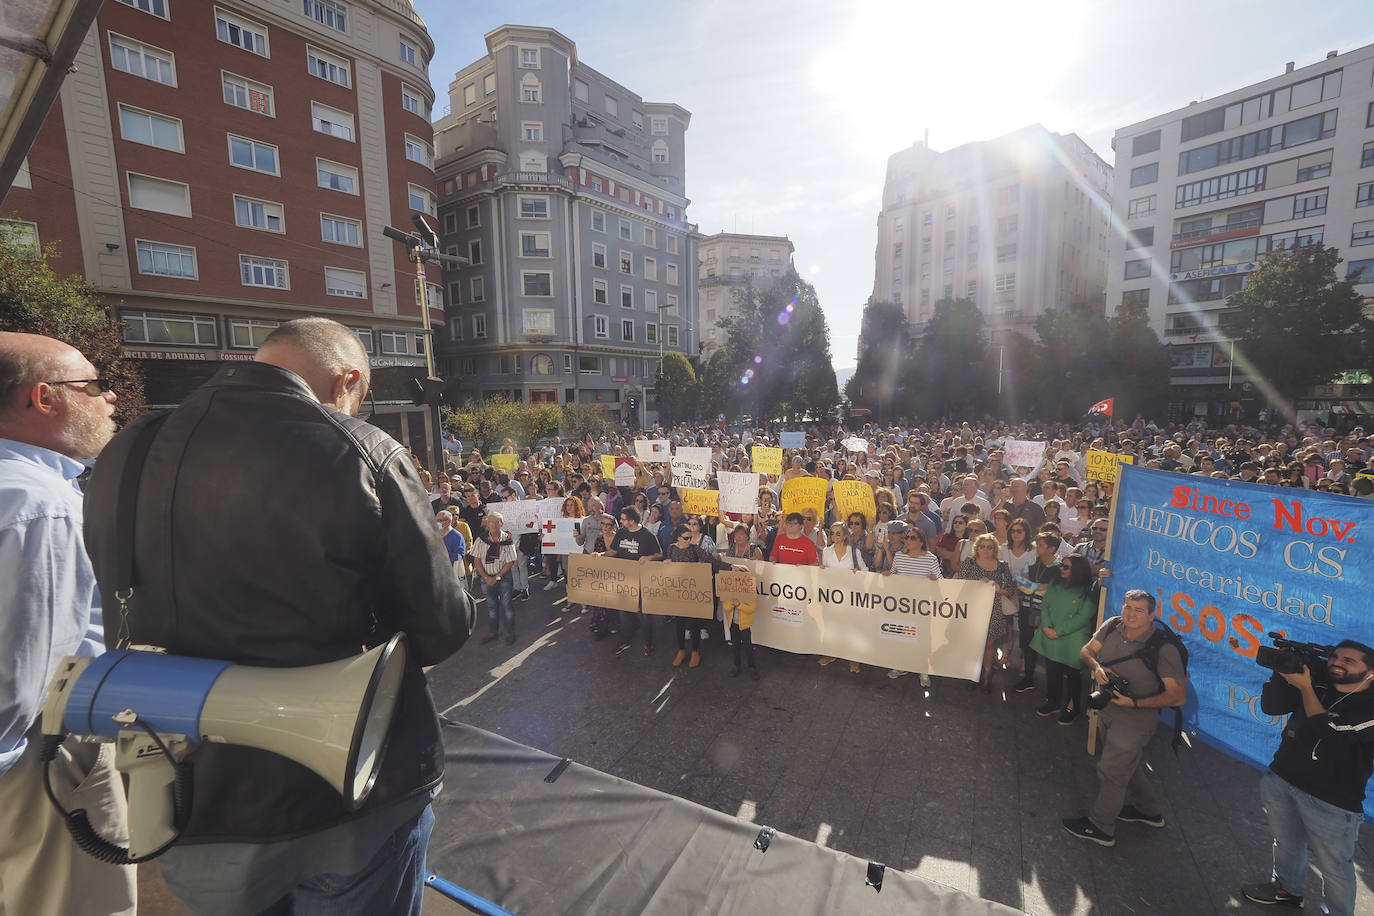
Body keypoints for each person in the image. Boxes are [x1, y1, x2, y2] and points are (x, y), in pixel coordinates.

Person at [82, 318, 474, 915]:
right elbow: (440, 628)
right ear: (347, 380)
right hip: (345, 801)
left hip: (187, 784)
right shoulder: (362, 449)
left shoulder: (127, 447)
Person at [0, 332, 137, 916]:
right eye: (91, 386)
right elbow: (17, 684)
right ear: (43, 398)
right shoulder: (39, 504)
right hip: (39, 765)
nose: (109, 400)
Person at [1240, 641, 1374, 914]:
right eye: (1335, 656)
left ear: (1371, 673)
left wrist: (1304, 688)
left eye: (1349, 660)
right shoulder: (1320, 682)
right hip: (1283, 779)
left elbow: (1329, 735)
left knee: (1335, 867)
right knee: (1286, 843)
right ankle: (1287, 891)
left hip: (1332, 800)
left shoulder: (1369, 708)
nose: (1337, 662)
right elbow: (1271, 706)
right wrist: (1281, 672)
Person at [1062, 589, 1186, 849]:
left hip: (1137, 718)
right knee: (1126, 763)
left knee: (1112, 770)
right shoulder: (1112, 625)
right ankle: (1148, 810)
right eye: (1127, 607)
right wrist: (1097, 667)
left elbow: (1177, 697)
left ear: (1152, 615)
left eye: (1139, 610)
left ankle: (1100, 826)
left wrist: (1136, 703)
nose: (1130, 614)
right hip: (1110, 706)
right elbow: (1087, 651)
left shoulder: (1163, 648)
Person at [663, 523, 743, 669]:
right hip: (678, 592)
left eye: (690, 537)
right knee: (680, 623)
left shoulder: (694, 549)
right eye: (686, 538)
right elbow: (667, 564)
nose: (689, 540)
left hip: (693, 591)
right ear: (678, 538)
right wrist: (666, 562)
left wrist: (730, 567)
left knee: (694, 624)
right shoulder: (671, 549)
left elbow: (711, 561)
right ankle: (681, 650)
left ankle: (695, 652)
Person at [1031, 554, 1098, 725]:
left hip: (1072, 638)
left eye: (1066, 566)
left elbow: (1084, 617)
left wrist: (1058, 631)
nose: (1061, 568)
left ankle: (1072, 707)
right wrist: (1046, 625)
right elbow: (1045, 604)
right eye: (1061, 564)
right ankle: (1053, 701)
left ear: (1078, 570)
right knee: (1052, 670)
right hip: (1050, 632)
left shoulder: (1089, 589)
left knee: (1073, 675)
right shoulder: (1055, 581)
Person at [956, 533, 1018, 692]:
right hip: (972, 609)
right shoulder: (969, 563)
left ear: (994, 549)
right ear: (977, 547)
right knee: (975, 644)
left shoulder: (1002, 566)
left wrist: (998, 588)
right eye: (982, 546)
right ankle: (973, 675)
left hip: (994, 609)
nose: (985, 550)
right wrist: (977, 584)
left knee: (989, 644)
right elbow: (960, 584)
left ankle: (987, 676)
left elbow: (1011, 589)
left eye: (989, 547)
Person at [884, 526, 942, 686]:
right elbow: (894, 574)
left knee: (923, 639)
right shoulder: (899, 556)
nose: (908, 540)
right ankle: (901, 665)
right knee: (901, 636)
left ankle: (923, 670)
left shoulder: (930, 558)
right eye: (907, 537)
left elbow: (940, 580)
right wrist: (889, 575)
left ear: (921, 541)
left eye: (912, 538)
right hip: (902, 606)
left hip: (921, 607)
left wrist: (934, 580)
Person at [608, 506, 663, 657]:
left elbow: (659, 554)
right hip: (624, 580)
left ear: (632, 521)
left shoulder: (647, 535)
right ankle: (625, 640)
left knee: (645, 614)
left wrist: (648, 558)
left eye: (623, 519)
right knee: (624, 612)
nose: (620, 521)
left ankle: (648, 642)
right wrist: (598, 555)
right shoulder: (621, 533)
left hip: (642, 581)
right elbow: (613, 552)